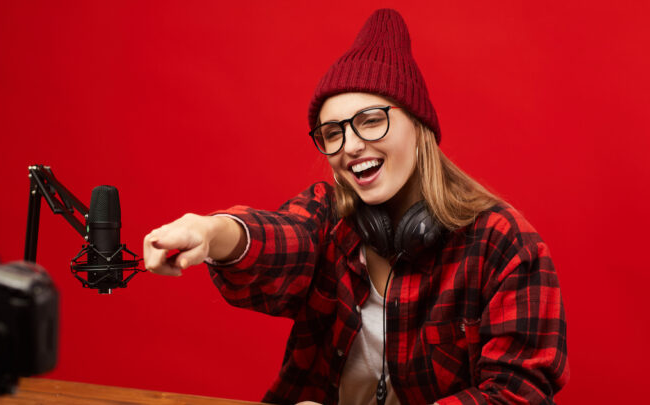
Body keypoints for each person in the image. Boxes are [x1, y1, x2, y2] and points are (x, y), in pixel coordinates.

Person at [143, 8, 569, 405]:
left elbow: (518, 393)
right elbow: (278, 241)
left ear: (418, 125)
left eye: (371, 120)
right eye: (333, 133)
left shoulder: (503, 243)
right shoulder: (328, 219)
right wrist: (209, 232)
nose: (350, 146)